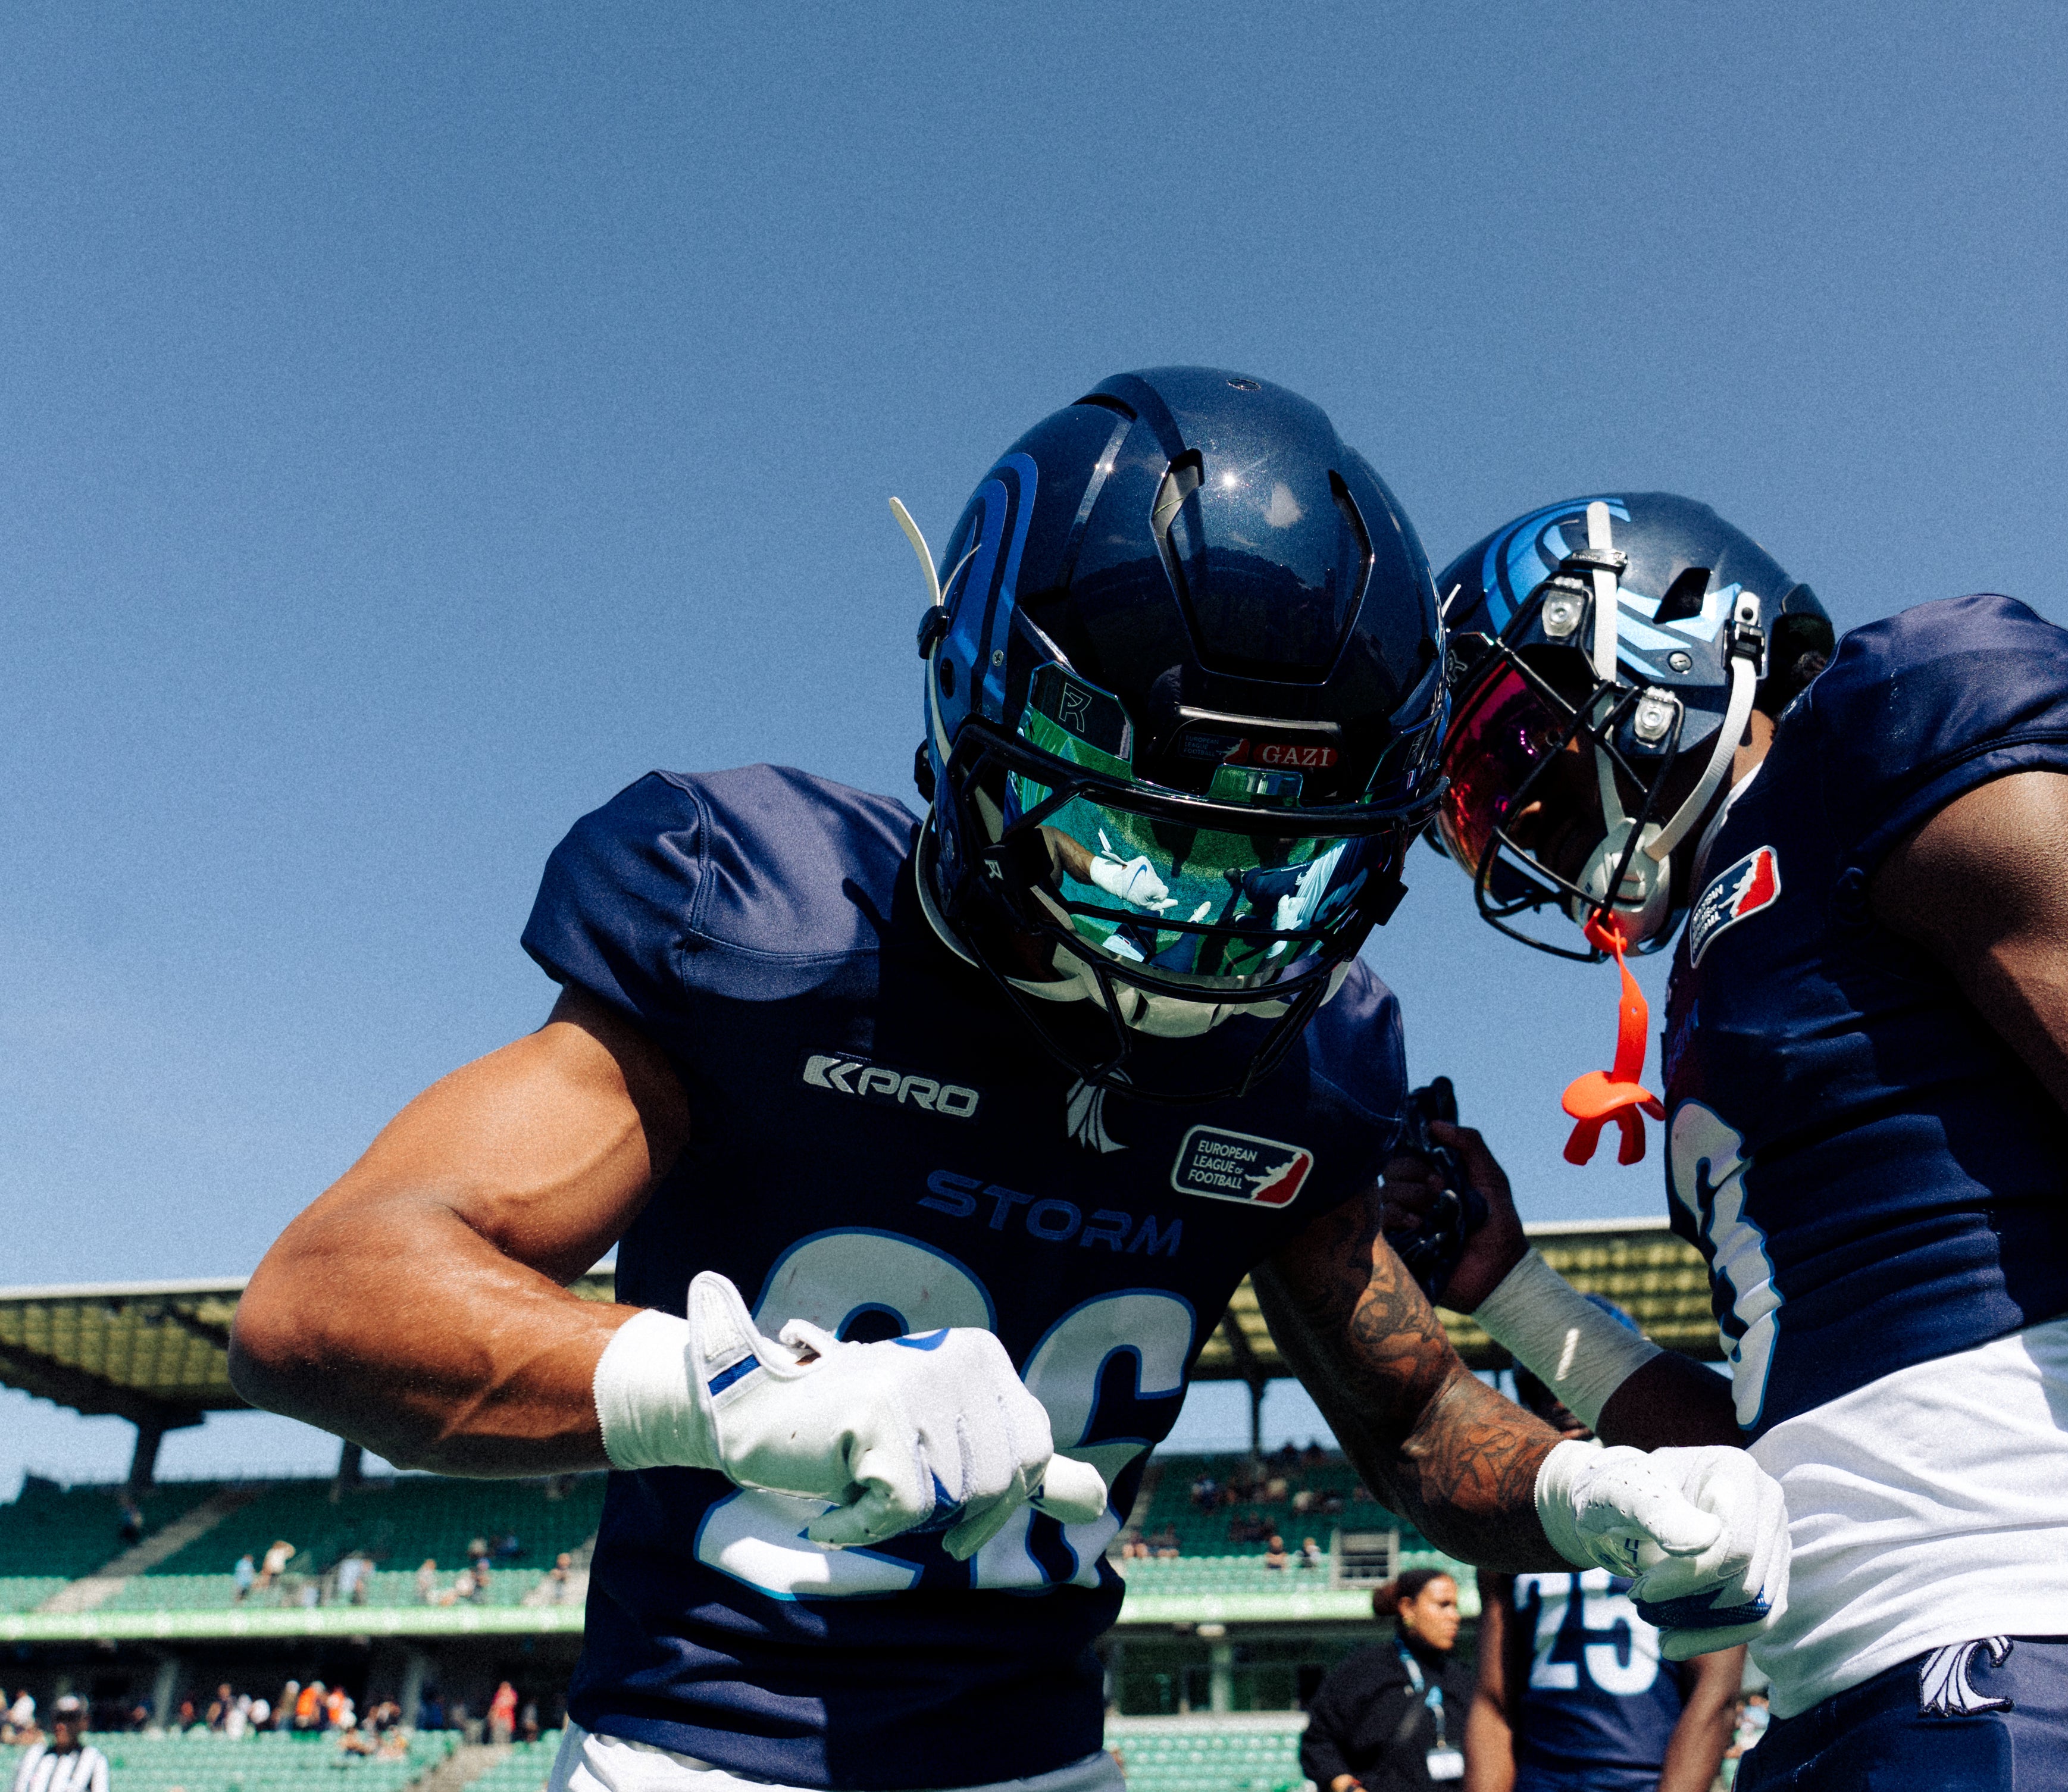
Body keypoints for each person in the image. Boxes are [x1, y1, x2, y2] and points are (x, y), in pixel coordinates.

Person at [227, 376, 1781, 1792]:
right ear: (983, 722)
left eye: (1274, 856)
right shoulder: (770, 924)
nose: (1197, 918)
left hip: (1048, 1760)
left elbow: (1417, 1413)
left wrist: (1580, 1496)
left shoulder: (1310, 1056)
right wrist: (736, 1394)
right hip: (696, 1754)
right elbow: (326, 1296)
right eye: (1137, 834)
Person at [1407, 494, 2068, 1791]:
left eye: (1511, 744)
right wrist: (1512, 1289)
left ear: (1662, 625)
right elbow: (1779, 1448)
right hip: (1824, 1700)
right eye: (1474, 810)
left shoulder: (1879, 732)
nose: (1513, 820)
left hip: (2036, 1652)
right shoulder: (1719, 964)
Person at [1467, 1349, 1744, 1792]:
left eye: (1578, 1380)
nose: (1562, 1400)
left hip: (1644, 1778)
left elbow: (1714, 1692)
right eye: (1544, 1385)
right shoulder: (1509, 1527)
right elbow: (1493, 1701)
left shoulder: (1684, 1505)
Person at [1302, 1569, 1476, 1792]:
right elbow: (1318, 1742)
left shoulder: (1463, 1679)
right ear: (1408, 1608)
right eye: (1443, 1605)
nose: (1455, 1616)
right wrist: (1348, 1788)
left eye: (1455, 1606)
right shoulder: (1363, 1671)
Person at [12, 1697, 109, 1792]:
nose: (62, 1725)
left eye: (70, 1718)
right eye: (58, 1718)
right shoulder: (34, 1756)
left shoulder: (94, 1760)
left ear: (84, 1722)